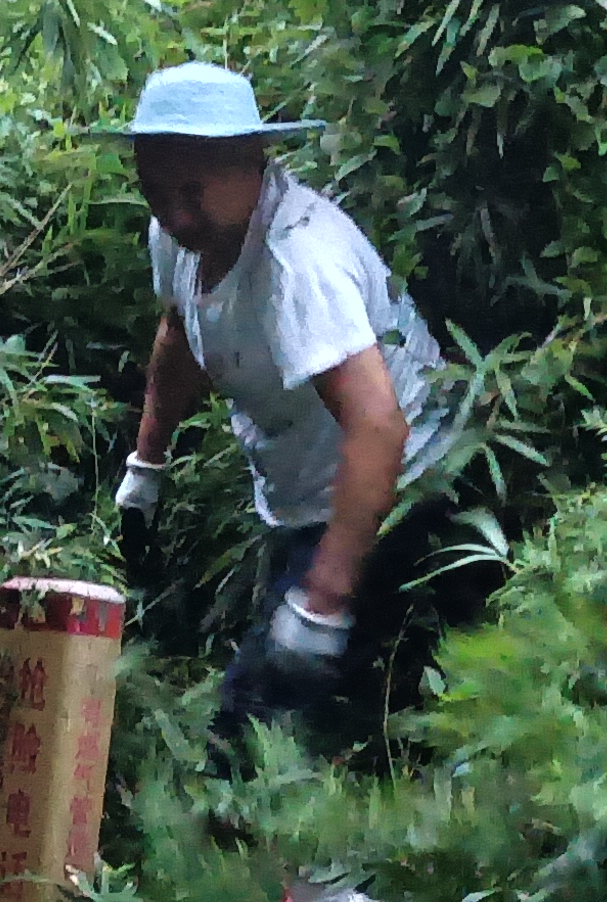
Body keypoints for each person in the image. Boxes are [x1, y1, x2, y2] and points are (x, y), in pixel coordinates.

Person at [105, 62, 460, 738]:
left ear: (253, 162)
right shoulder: (181, 236)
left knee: (254, 729)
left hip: (404, 486)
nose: (175, 214)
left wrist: (324, 600)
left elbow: (381, 429)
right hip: (304, 493)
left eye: (193, 189)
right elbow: (179, 331)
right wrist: (145, 464)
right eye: (155, 190)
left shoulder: (300, 264)